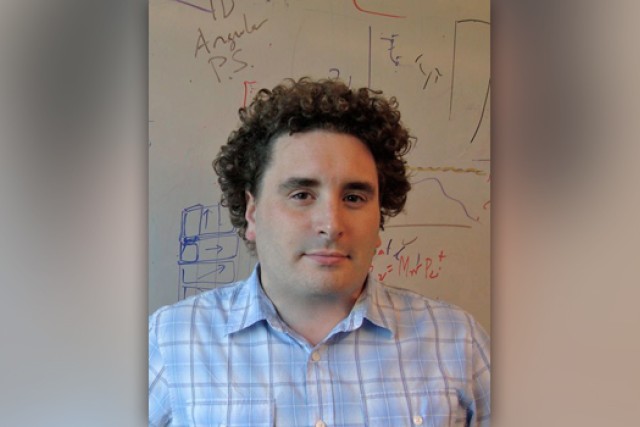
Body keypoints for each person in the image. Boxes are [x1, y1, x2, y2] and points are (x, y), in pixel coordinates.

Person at [149, 77, 490, 426]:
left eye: (354, 198)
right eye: (301, 195)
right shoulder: (170, 341)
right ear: (252, 212)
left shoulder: (458, 342)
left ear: (380, 215)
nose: (331, 224)